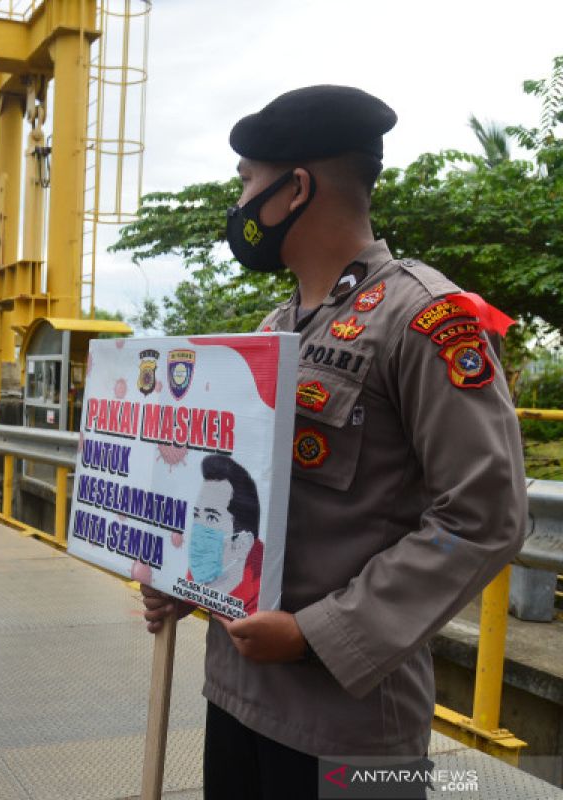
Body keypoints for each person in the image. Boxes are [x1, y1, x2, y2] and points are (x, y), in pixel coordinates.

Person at [138, 86, 526, 798]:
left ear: (297, 188)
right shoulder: (270, 330)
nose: (241, 204)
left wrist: (319, 634)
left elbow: (486, 516)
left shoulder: (425, 318)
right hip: (235, 695)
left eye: (248, 182)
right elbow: (235, 491)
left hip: (351, 727)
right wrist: (188, 580)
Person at [186, 455, 264, 616]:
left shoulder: (263, 601)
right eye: (196, 515)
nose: (198, 531)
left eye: (211, 518)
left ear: (242, 543)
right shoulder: (202, 567)